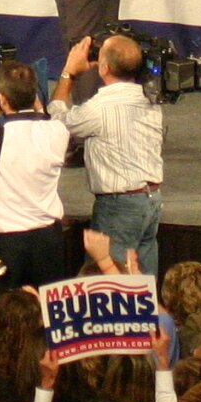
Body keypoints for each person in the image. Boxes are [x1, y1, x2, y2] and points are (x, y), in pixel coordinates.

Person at [48, 30, 167, 272]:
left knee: (107, 283)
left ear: (103, 68)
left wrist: (69, 72)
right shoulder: (151, 101)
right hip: (151, 201)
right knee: (144, 286)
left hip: (119, 208)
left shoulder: (99, 109)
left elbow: (56, 122)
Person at [0, 57, 69, 292]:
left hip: (5, 246)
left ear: (1, 99)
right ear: (35, 96)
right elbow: (44, 117)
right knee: (48, 311)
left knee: (2, 313)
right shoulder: (57, 133)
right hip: (48, 243)